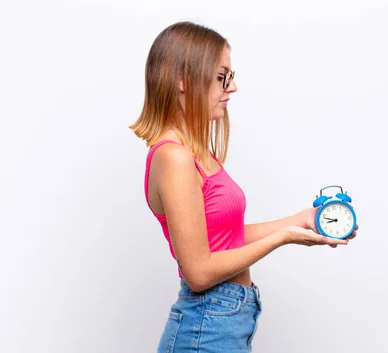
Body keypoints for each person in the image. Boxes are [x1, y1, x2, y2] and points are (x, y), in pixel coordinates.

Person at [129, 21, 359, 353]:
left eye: (231, 76)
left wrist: (301, 220)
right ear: (183, 80)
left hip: (226, 322)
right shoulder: (174, 158)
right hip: (205, 329)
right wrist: (283, 238)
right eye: (222, 76)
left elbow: (225, 239)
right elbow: (198, 272)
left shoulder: (195, 152)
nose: (232, 87)